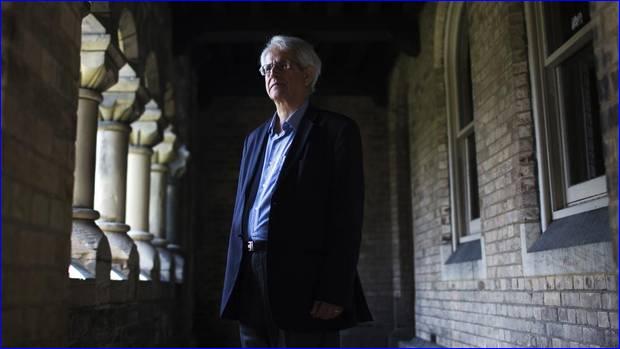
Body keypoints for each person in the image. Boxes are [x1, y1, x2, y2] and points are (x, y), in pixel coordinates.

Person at [220, 35, 372, 348]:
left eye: (282, 65)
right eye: (266, 69)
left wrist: (334, 290)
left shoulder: (336, 132)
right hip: (249, 275)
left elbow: (347, 216)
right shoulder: (254, 139)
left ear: (307, 73)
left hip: (305, 281)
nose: (272, 73)